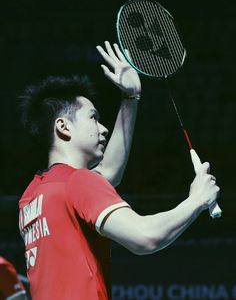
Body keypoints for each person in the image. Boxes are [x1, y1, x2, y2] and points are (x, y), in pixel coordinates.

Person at [18, 41, 220, 300]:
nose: (103, 128)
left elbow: (109, 171)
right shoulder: (79, 182)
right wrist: (197, 201)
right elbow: (145, 237)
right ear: (63, 127)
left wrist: (130, 98)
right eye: (93, 117)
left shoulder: (34, 194)